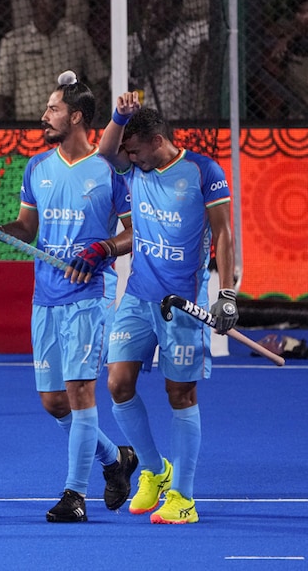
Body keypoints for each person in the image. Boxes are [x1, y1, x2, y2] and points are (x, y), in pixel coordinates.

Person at [0, 71, 137, 522]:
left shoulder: (109, 169)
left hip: (89, 297)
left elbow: (134, 233)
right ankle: (115, 460)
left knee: (81, 393)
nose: (44, 115)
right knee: (54, 402)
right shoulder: (36, 168)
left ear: (76, 116)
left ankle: (74, 497)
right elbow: (25, 229)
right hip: (46, 297)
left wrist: (104, 248)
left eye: (53, 109)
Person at [98, 93, 237, 524]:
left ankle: (184, 498)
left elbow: (224, 234)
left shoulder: (203, 172)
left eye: (135, 149)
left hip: (183, 303)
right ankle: (156, 471)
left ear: (158, 141)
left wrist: (227, 293)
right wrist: (119, 117)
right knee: (118, 384)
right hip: (138, 296)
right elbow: (106, 153)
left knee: (180, 393)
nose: (128, 157)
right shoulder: (133, 168)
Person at [0, 0, 107, 120]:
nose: (63, 2)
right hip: (29, 124)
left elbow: (100, 79)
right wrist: (6, 129)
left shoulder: (76, 36)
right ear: (36, 0)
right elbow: (2, 94)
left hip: (69, 128)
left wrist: (91, 118)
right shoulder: (14, 41)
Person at [127, 0, 210, 121]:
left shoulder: (191, 35)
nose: (153, 10)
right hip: (141, 124)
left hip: (180, 122)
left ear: (177, 9)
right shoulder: (131, 44)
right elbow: (118, 86)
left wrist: (204, 48)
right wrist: (148, 49)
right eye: (151, 4)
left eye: (161, 4)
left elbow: (212, 28)